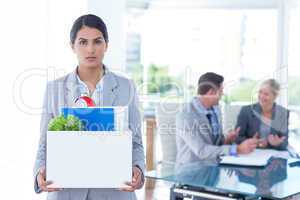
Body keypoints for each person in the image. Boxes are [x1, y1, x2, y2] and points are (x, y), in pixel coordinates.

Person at [33, 14, 145, 200]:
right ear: (72, 46)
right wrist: (39, 173)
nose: (90, 49)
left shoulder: (126, 87)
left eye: (97, 42)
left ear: (106, 45)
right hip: (67, 192)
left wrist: (138, 169)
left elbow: (136, 142)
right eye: (83, 42)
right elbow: (45, 143)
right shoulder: (55, 89)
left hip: (114, 192)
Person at [176, 72, 258, 165]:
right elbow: (202, 151)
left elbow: (214, 145)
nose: (222, 94)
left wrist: (227, 140)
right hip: (191, 172)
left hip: (214, 167)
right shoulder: (185, 116)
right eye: (221, 91)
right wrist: (237, 149)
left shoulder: (216, 109)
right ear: (211, 92)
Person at [235, 79, 289, 150]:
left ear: (275, 96)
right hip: (250, 153)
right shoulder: (246, 111)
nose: (261, 96)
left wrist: (277, 143)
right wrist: (252, 142)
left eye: (266, 94)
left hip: (272, 154)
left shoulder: (283, 112)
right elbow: (237, 137)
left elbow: (284, 142)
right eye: (260, 92)